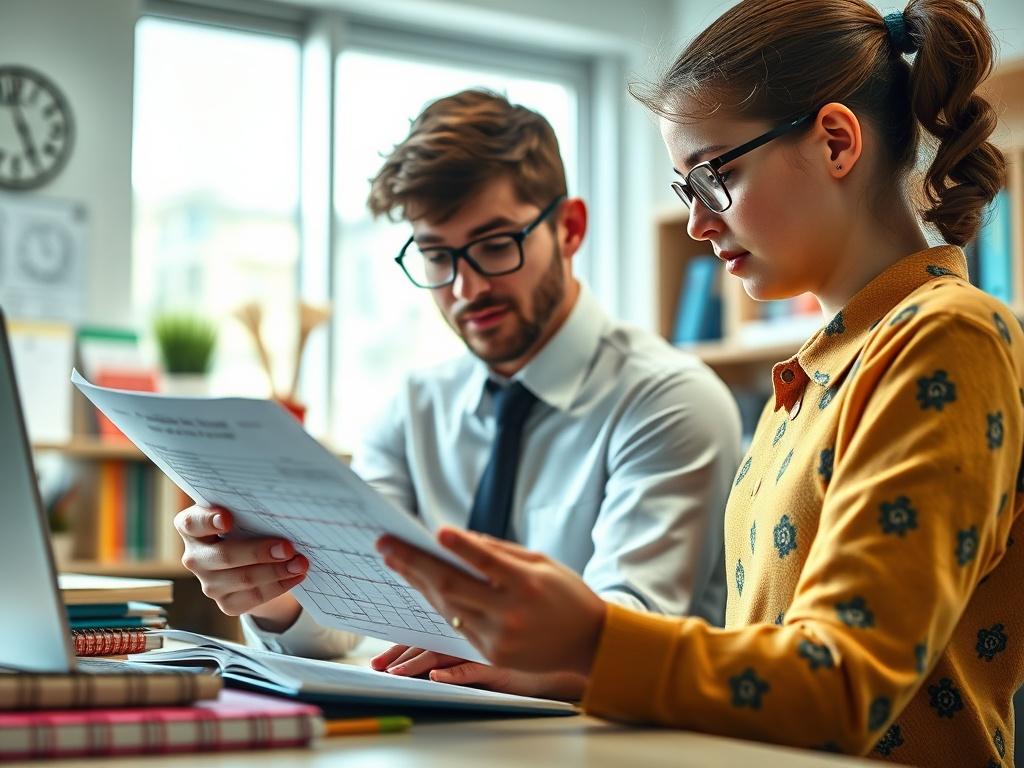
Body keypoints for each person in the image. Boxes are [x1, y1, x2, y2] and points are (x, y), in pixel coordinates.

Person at [375, 1, 1024, 762]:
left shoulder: (947, 336)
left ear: (837, 142)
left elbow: (843, 687)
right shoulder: (820, 370)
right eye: (686, 191)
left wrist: (589, 639)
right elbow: (759, 663)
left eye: (714, 177)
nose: (697, 224)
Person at [173, 90, 741, 698]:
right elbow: (348, 610)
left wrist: (516, 657)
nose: (467, 288)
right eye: (437, 256)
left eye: (496, 245)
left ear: (570, 228)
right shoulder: (414, 408)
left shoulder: (669, 401)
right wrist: (277, 592)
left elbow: (632, 628)